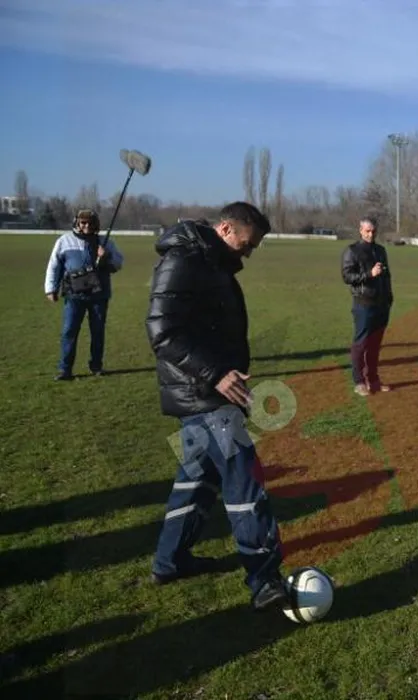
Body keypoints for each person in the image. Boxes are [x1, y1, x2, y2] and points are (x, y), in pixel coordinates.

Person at [145, 202, 288, 612]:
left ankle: (169, 561)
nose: (249, 253)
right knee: (244, 481)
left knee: (197, 478)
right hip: (202, 393)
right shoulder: (183, 260)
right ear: (225, 229)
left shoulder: (210, 262)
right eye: (247, 244)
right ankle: (264, 580)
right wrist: (216, 374)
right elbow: (162, 331)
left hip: (210, 391)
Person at [43, 209, 124, 380]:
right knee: (69, 332)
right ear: (77, 223)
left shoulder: (105, 242)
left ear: (96, 224)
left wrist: (106, 256)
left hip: (99, 295)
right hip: (74, 296)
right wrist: (51, 289)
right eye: (83, 222)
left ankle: (96, 366)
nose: (86, 226)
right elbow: (54, 265)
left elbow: (118, 264)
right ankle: (65, 369)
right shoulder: (65, 241)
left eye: (90, 223)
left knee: (98, 332)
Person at [341, 216, 394, 396]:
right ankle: (359, 382)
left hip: (382, 304)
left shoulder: (380, 250)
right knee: (361, 344)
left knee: (375, 345)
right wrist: (369, 274)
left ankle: (373, 380)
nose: (371, 234)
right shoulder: (352, 251)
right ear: (360, 230)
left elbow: (387, 275)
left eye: (373, 231)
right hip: (364, 304)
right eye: (367, 231)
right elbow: (347, 276)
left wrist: (389, 297)